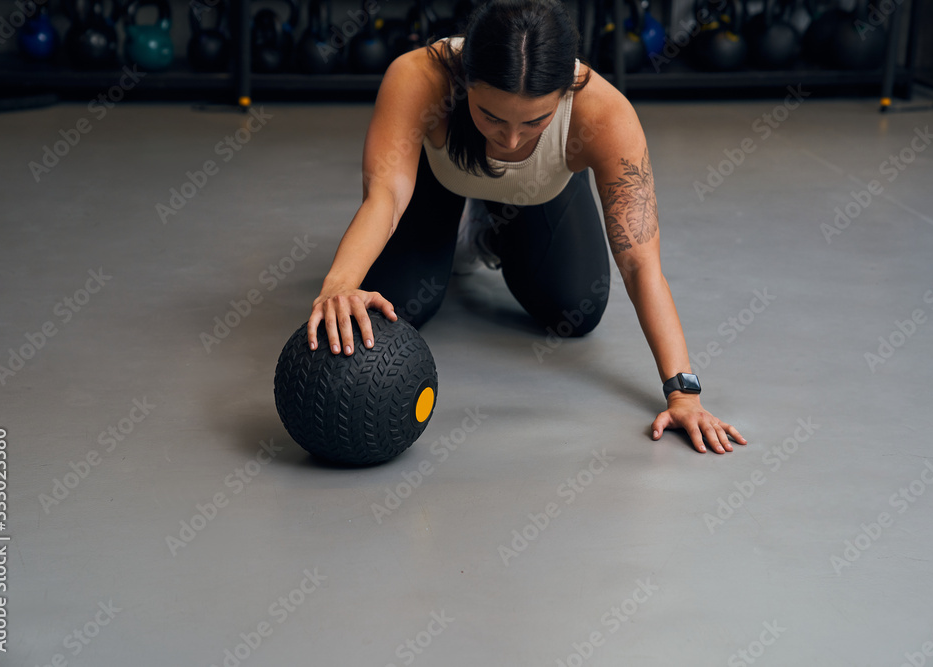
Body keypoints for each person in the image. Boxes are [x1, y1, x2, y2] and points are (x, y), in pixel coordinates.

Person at [307, 0, 746, 454]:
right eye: (491, 116)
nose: (510, 139)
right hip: (436, 184)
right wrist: (337, 285)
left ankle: (488, 224)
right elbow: (386, 196)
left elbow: (640, 263)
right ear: (466, 80)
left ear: (565, 91)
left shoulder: (604, 114)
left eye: (536, 121)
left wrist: (683, 393)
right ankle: (460, 218)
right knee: (395, 311)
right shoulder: (419, 77)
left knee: (574, 309)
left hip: (538, 195)